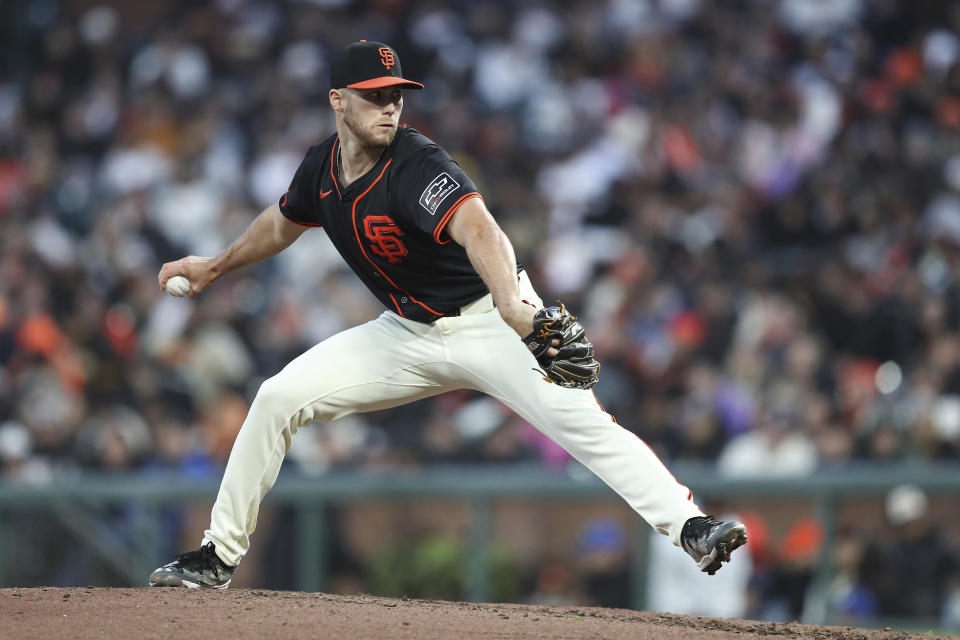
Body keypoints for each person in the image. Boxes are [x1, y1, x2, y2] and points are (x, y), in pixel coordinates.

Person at [148, 40, 747, 590]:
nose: (390, 108)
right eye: (375, 96)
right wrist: (216, 265)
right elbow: (282, 222)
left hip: (491, 317)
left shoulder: (416, 162)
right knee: (277, 397)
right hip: (407, 332)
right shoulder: (320, 168)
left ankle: (690, 527)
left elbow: (479, 227)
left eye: (397, 96)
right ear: (337, 100)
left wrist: (514, 306)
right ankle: (218, 556)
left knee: (584, 427)